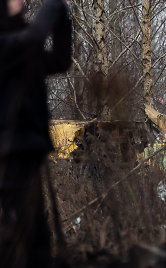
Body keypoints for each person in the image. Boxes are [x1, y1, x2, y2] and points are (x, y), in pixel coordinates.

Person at [0, 0, 71, 267]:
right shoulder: (7, 45)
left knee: (38, 238)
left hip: (27, 150)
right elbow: (35, 36)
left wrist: (64, 20)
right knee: (21, 236)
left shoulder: (21, 45)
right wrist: (55, 6)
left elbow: (61, 61)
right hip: (9, 154)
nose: (22, 1)